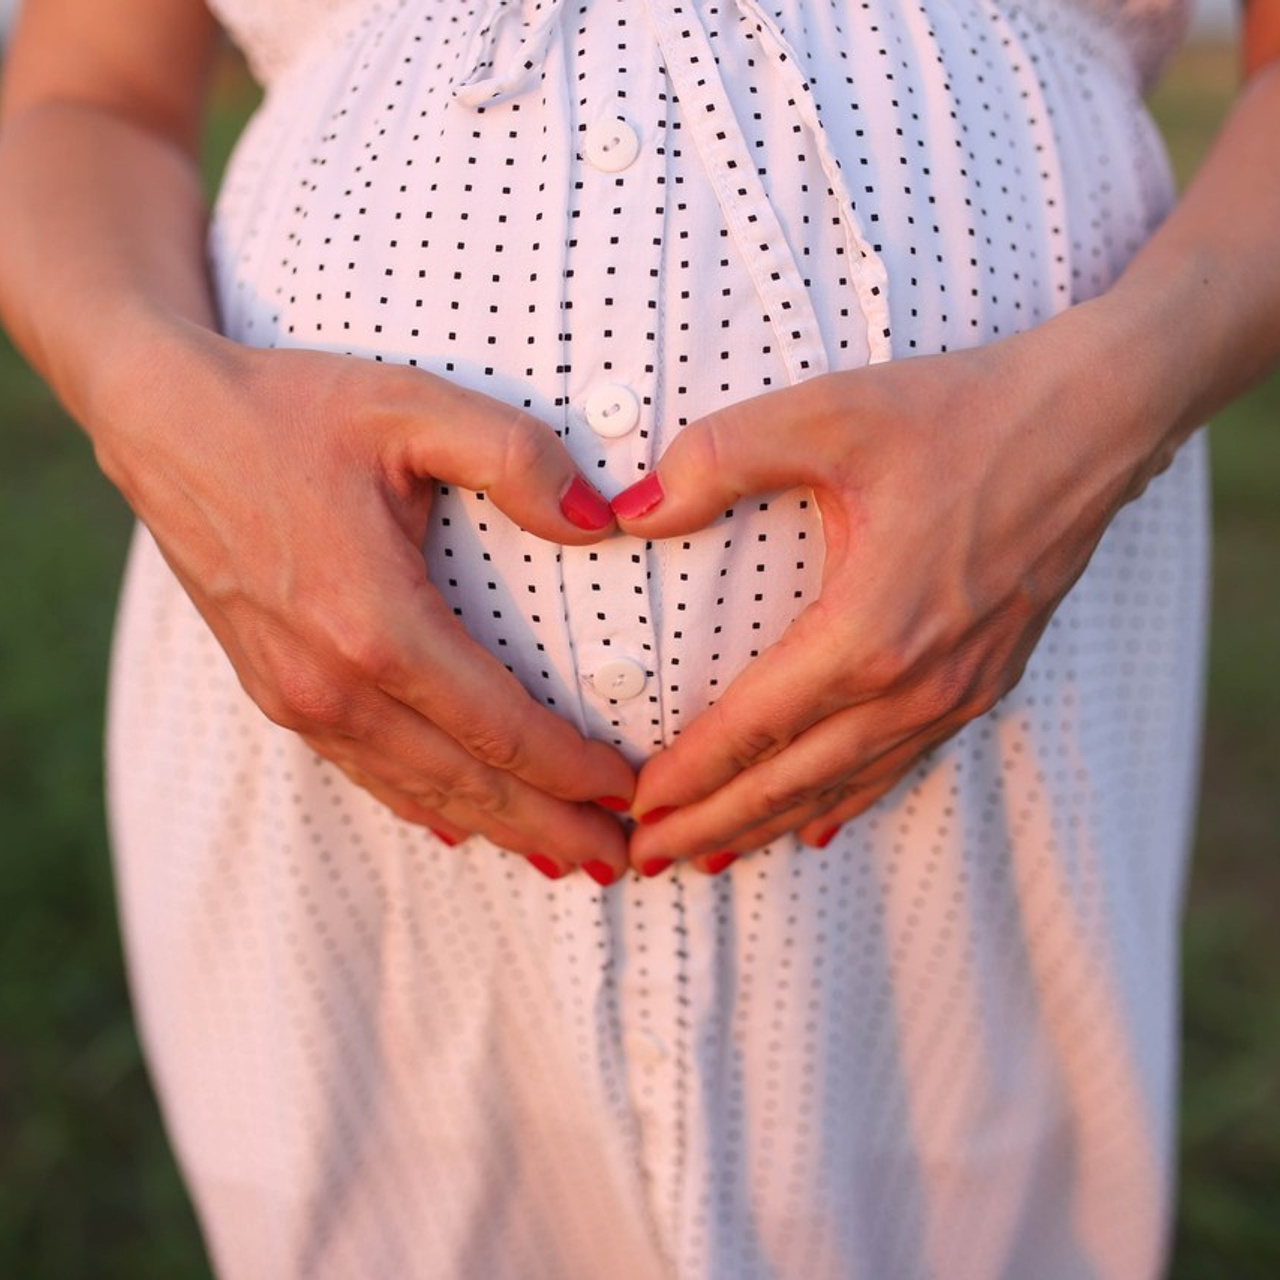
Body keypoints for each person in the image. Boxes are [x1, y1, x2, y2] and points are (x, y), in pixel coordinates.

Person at [1, 0, 1277, 1275]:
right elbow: (85, 97)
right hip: (341, 738)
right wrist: (147, 397)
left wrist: (1113, 402)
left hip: (983, 744)